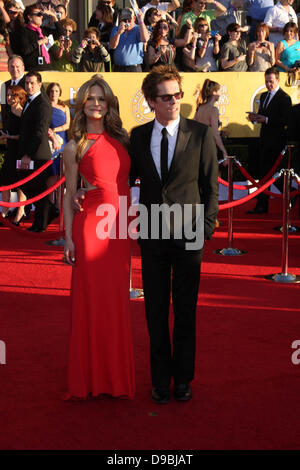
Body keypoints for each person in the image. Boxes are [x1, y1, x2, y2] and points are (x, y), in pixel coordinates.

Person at [130, 65, 218, 404]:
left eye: (178, 95)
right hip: (152, 234)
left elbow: (210, 185)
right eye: (166, 97)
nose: (174, 102)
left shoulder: (199, 134)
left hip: (189, 234)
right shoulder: (138, 137)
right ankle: (158, 380)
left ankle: (182, 379)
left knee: (185, 311)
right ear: (151, 100)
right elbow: (125, 179)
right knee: (154, 312)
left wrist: (207, 226)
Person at [63, 76, 135, 400]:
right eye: (90, 99)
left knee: (116, 302)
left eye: (101, 99)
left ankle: (114, 378)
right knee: (92, 301)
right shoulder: (73, 145)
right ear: (83, 103)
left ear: (109, 104)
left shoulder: (122, 138)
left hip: (120, 228)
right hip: (91, 227)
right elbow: (68, 195)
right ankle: (91, 378)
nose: (95, 104)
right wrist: (68, 239)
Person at [247, 66, 292, 213]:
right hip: (264, 139)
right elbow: (262, 116)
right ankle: (263, 204)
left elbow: (285, 121)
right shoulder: (263, 96)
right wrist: (255, 117)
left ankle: (289, 193)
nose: (268, 84)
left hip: (277, 141)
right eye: (266, 81)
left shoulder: (285, 98)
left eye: (271, 81)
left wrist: (265, 119)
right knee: (264, 173)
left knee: (272, 173)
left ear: (278, 80)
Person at [18, 71, 54, 232]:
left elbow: (40, 132)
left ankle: (41, 222)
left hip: (38, 154)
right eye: (27, 83)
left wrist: (28, 155)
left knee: (38, 190)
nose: (29, 86)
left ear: (40, 84)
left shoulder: (42, 104)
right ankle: (49, 213)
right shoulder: (29, 101)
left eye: (32, 83)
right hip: (30, 153)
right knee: (27, 185)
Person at [0, 85, 27, 225]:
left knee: (19, 184)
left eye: (12, 95)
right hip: (10, 151)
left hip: (20, 152)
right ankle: (4, 212)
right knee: (5, 181)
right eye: (8, 95)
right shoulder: (7, 111)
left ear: (19, 97)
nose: (9, 98)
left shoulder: (22, 113)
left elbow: (25, 136)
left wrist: (9, 137)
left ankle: (20, 212)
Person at [46, 82, 70, 209]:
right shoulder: (45, 106)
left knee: (61, 175)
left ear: (59, 93)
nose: (53, 93)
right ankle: (51, 203)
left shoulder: (64, 107)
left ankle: (59, 203)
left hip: (62, 143)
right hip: (49, 143)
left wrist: (56, 130)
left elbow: (68, 125)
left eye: (56, 91)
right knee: (52, 173)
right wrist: (51, 133)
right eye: (51, 91)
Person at [194, 79, 227, 159]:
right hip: (210, 147)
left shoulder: (200, 108)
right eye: (220, 91)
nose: (221, 94)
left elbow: (194, 126)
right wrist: (224, 151)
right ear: (214, 92)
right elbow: (215, 134)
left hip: (199, 146)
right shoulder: (213, 110)